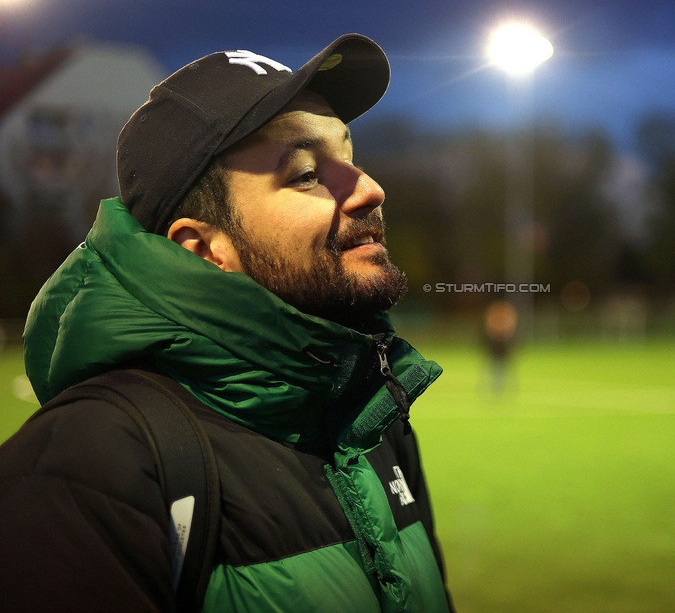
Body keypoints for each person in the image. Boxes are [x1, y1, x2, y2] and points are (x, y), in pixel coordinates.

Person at [0, 34, 453, 612]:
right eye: (307, 173)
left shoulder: (370, 420)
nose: (369, 189)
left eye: (351, 155)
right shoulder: (82, 467)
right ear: (203, 249)